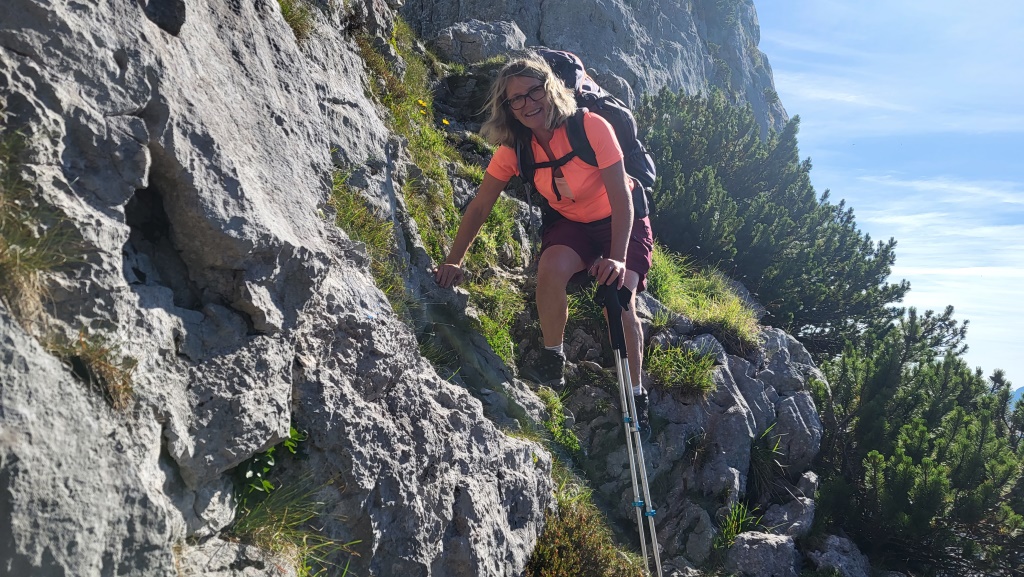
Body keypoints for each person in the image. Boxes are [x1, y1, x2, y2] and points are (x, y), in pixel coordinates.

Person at [433, 54, 654, 432]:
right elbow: (481, 205)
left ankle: (635, 395)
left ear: (550, 88)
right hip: (572, 223)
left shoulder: (591, 127)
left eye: (534, 91)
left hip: (621, 222)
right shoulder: (515, 150)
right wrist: (454, 259)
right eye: (516, 99)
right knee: (549, 270)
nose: (527, 103)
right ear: (507, 108)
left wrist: (617, 259)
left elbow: (622, 197)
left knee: (618, 302)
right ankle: (553, 360)